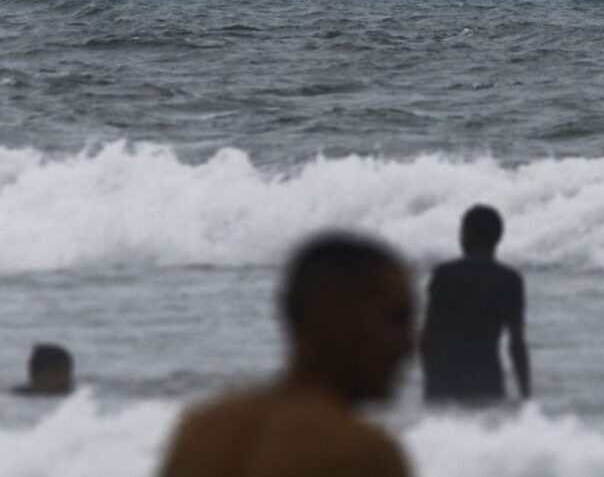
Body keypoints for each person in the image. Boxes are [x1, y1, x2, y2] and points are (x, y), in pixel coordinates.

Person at [159, 232, 415, 477]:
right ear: (336, 317)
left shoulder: (202, 431)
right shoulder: (364, 454)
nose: (410, 344)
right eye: (396, 319)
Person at [421, 204, 530, 404]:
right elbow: (516, 344)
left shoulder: (444, 274)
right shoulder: (510, 280)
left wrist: (430, 378)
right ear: (498, 237)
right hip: (487, 379)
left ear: (467, 234)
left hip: (444, 378)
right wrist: (526, 394)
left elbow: (427, 336)